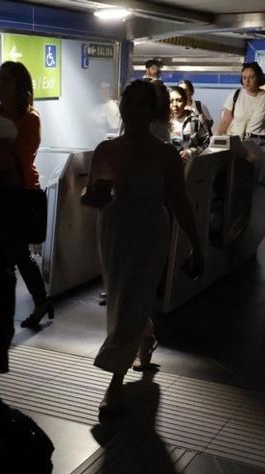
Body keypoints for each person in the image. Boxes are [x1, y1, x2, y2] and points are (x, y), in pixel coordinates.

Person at [84, 81, 205, 416]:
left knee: (129, 301)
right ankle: (146, 334)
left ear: (152, 110)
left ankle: (115, 384)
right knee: (123, 298)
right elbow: (93, 195)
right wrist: (93, 197)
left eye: (140, 102)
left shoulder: (165, 154)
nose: (131, 108)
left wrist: (196, 245)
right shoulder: (106, 149)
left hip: (150, 232)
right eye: (128, 100)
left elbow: (179, 201)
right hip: (113, 230)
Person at [0, 61, 53, 328]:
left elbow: (13, 162)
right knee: (11, 254)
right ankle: (35, 303)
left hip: (19, 194)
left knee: (15, 253)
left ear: (19, 85)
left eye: (5, 79)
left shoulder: (30, 119)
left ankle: (24, 307)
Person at [218, 61, 265, 156]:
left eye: (251, 77)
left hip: (258, 146)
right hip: (236, 144)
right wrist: (216, 142)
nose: (247, 81)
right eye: (244, 78)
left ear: (259, 78)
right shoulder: (236, 95)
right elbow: (225, 121)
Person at [169, 85, 211, 162]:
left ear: (185, 102)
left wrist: (190, 152)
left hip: (191, 166)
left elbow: (206, 143)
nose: (175, 105)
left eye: (179, 100)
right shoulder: (163, 122)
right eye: (171, 101)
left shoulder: (196, 120)